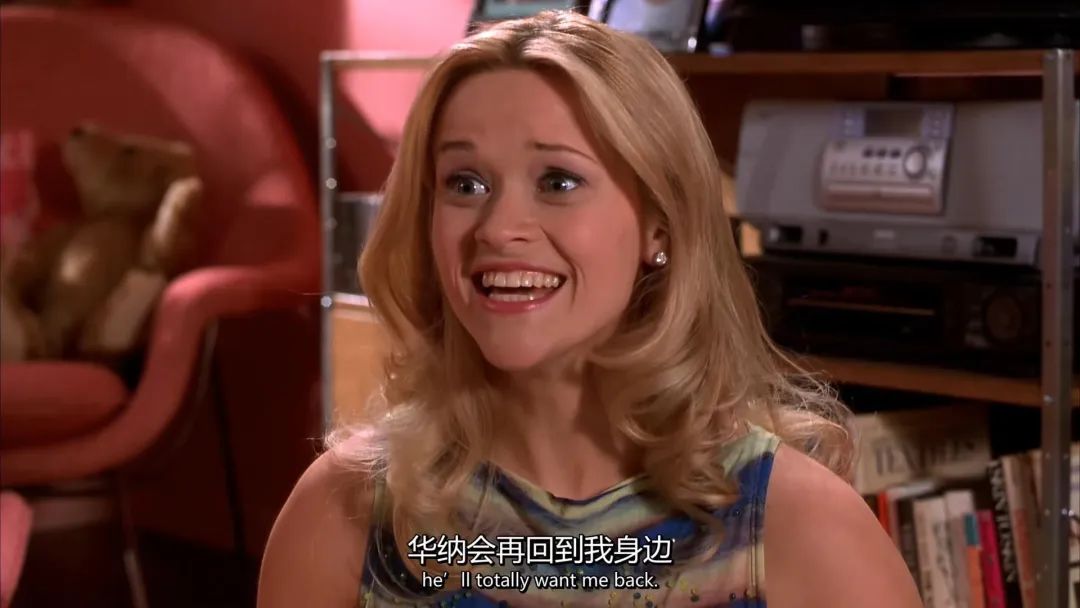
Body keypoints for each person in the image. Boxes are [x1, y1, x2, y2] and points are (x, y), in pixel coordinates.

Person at [259, 10, 922, 608]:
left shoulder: (799, 527)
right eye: (466, 183)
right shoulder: (344, 513)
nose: (499, 228)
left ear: (659, 225)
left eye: (558, 181)